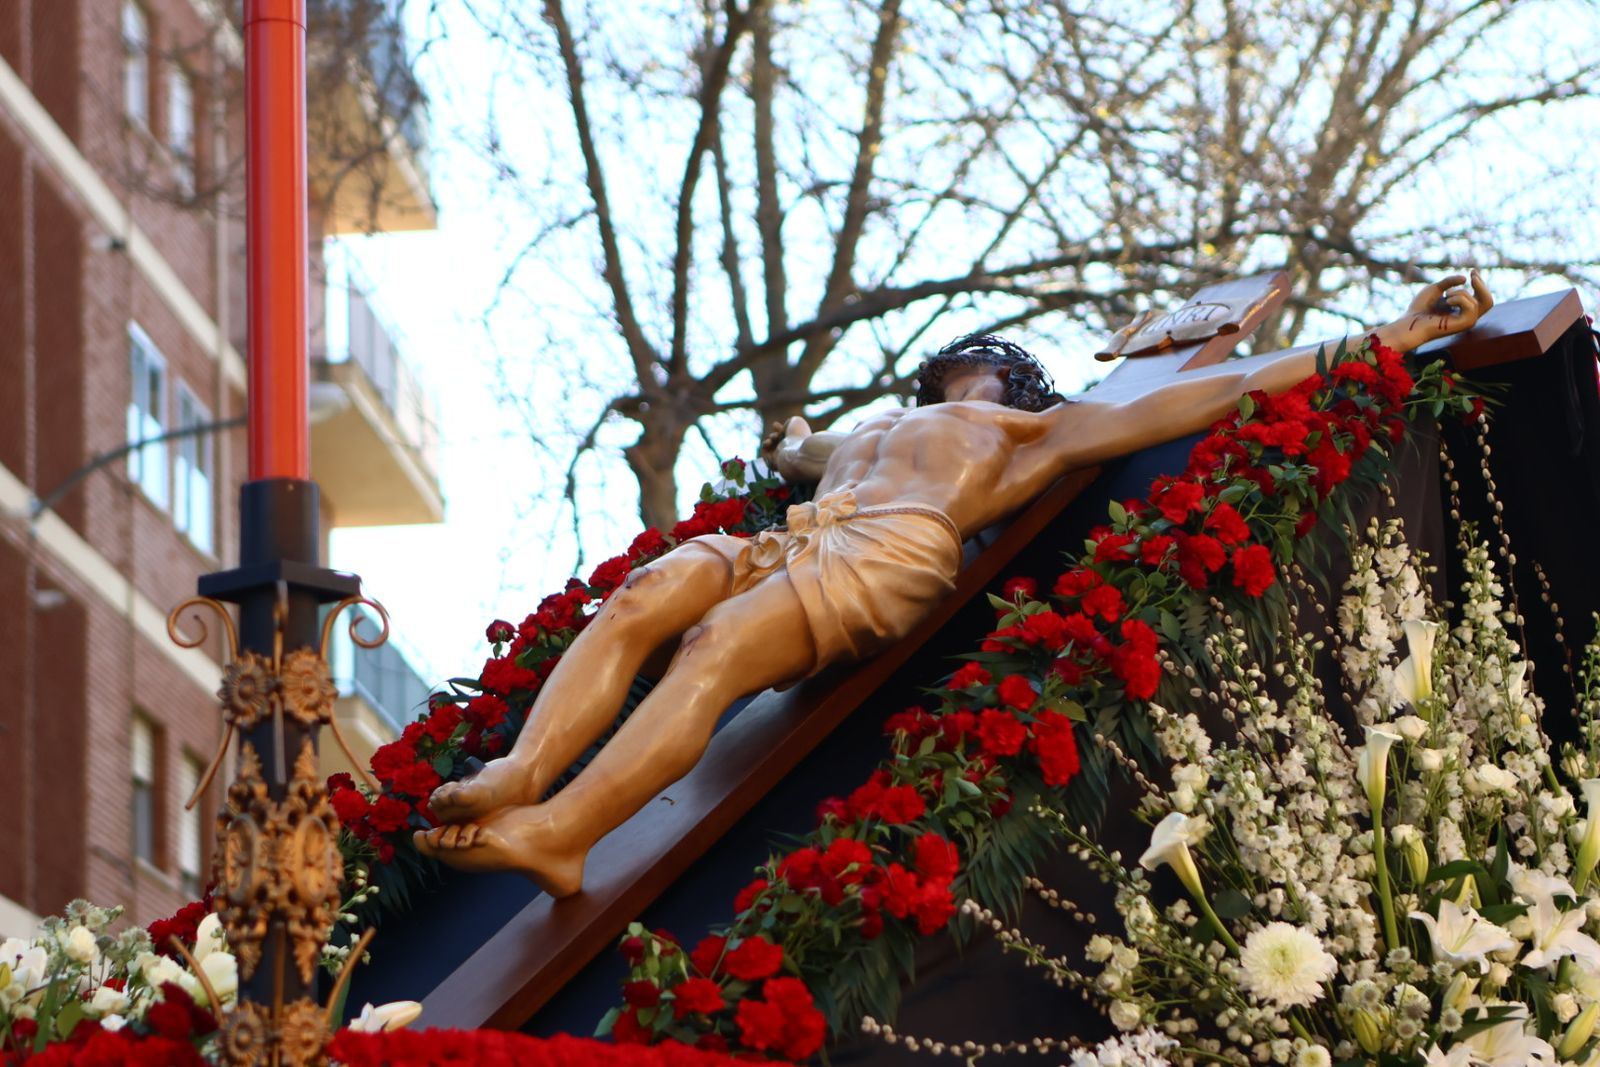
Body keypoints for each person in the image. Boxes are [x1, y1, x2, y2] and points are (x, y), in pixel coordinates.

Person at [416, 272, 1494, 896]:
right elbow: (795, 451)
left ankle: (564, 834)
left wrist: (1384, 339)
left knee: (712, 653)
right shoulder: (873, 425)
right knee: (643, 600)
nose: (950, 368)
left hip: (888, 549)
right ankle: (523, 771)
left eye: (971, 359)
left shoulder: (1033, 427)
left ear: (1011, 374)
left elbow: (1208, 393)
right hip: (800, 529)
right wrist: (795, 444)